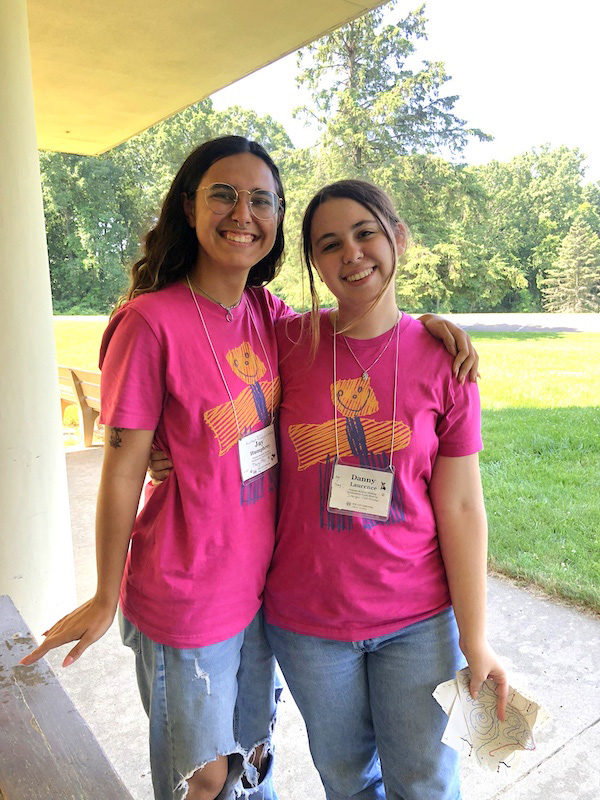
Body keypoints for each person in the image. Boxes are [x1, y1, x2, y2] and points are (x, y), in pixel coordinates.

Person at [22, 137, 478, 800]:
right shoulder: (149, 322)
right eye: (223, 195)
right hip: (185, 590)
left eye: (260, 200)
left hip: (259, 596)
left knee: (252, 765)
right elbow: (121, 468)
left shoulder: (269, 317)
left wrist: (427, 327)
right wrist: (103, 592)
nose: (243, 213)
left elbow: (362, 324)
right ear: (189, 207)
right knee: (206, 778)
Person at [262, 179, 508, 800]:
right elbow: (212, 385)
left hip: (418, 621)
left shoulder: (447, 359)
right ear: (315, 263)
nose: (351, 253)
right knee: (347, 782)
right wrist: (158, 448)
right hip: (308, 622)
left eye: (365, 233)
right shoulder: (287, 343)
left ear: (399, 237)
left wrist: (475, 639)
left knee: (425, 784)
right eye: (329, 244)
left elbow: (461, 507)